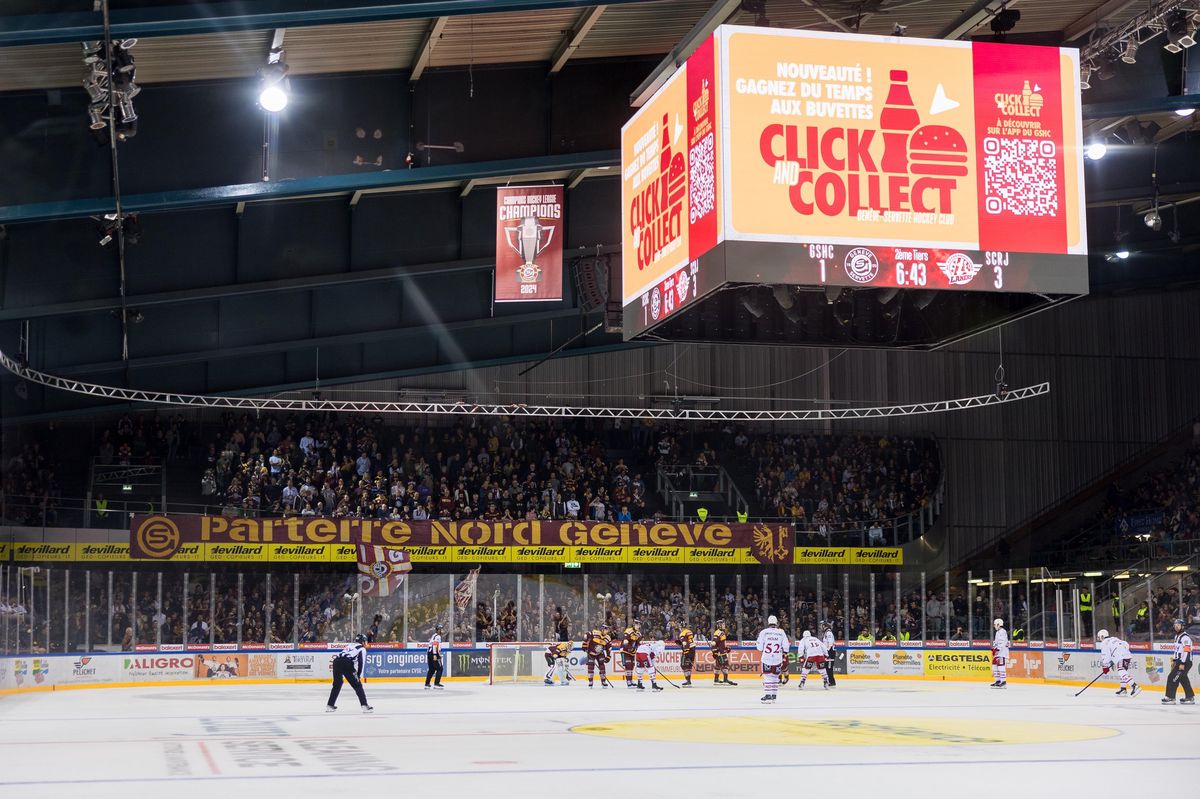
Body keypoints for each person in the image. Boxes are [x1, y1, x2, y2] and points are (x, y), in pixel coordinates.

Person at [326, 633, 373, 713]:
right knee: (357, 685)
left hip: (336, 661)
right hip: (346, 662)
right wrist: (358, 675)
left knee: (337, 684)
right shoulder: (362, 649)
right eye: (365, 641)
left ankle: (330, 705)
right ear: (362, 642)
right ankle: (364, 705)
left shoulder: (350, 645)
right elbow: (361, 663)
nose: (366, 643)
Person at [755, 614, 789, 704]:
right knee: (775, 677)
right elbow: (786, 645)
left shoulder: (764, 632)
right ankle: (774, 695)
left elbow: (759, 647)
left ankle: (768, 695)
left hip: (767, 657)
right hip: (778, 658)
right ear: (776, 623)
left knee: (767, 676)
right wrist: (784, 653)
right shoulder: (781, 632)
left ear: (768, 622)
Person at [1096, 629, 1140, 697]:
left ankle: (1134, 686)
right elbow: (1126, 644)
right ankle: (1123, 689)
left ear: (1102, 636)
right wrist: (1117, 655)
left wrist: (1105, 667)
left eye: (1099, 637)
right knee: (1122, 672)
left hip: (1121, 657)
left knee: (1121, 671)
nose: (1099, 639)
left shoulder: (1104, 643)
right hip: (1127, 656)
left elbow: (1105, 656)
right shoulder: (1114, 638)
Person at [1162, 619, 1194, 705]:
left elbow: (1187, 651)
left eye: (1178, 625)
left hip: (1185, 662)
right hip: (1179, 661)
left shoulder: (1185, 637)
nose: (1176, 626)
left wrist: (1182, 663)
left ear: (1182, 626)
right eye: (1175, 625)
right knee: (1183, 679)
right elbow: (1177, 651)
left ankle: (1171, 698)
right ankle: (1190, 697)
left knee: (1172, 678)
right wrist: (1175, 661)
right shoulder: (1177, 637)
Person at [712, 619, 736, 685]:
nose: (724, 625)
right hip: (721, 653)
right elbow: (714, 643)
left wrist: (726, 648)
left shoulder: (721, 632)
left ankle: (716, 680)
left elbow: (721, 643)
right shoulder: (719, 632)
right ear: (719, 625)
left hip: (721, 652)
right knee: (725, 665)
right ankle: (725, 680)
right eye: (723, 624)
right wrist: (715, 652)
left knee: (717, 666)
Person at [620, 620, 642, 688]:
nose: (638, 626)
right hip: (625, 650)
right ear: (633, 625)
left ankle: (631, 680)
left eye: (639, 625)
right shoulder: (628, 631)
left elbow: (638, 643)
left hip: (632, 652)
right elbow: (625, 642)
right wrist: (631, 649)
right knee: (628, 665)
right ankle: (628, 681)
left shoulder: (639, 634)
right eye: (636, 625)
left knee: (631, 666)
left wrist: (636, 648)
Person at [991, 618, 1009, 689]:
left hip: (1002, 653)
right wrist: (994, 648)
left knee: (1001, 667)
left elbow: (1002, 642)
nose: (994, 626)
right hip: (998, 653)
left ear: (998, 624)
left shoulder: (1002, 631)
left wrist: (997, 649)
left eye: (995, 624)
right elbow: (996, 642)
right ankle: (998, 681)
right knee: (994, 666)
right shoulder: (997, 632)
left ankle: (1003, 682)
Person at [425, 623, 444, 690]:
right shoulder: (438, 637)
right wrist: (435, 655)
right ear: (438, 630)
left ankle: (427, 684)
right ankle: (436, 684)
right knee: (440, 669)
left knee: (431, 669)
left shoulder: (434, 635)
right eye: (441, 629)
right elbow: (435, 645)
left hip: (429, 653)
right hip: (433, 653)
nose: (442, 630)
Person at [819, 619, 837, 688]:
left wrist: (826, 652)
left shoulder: (828, 633)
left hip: (830, 653)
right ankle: (831, 681)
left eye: (821, 625)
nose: (820, 627)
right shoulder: (826, 632)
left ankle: (832, 682)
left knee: (829, 668)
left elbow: (830, 643)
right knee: (827, 667)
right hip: (828, 652)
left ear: (824, 626)